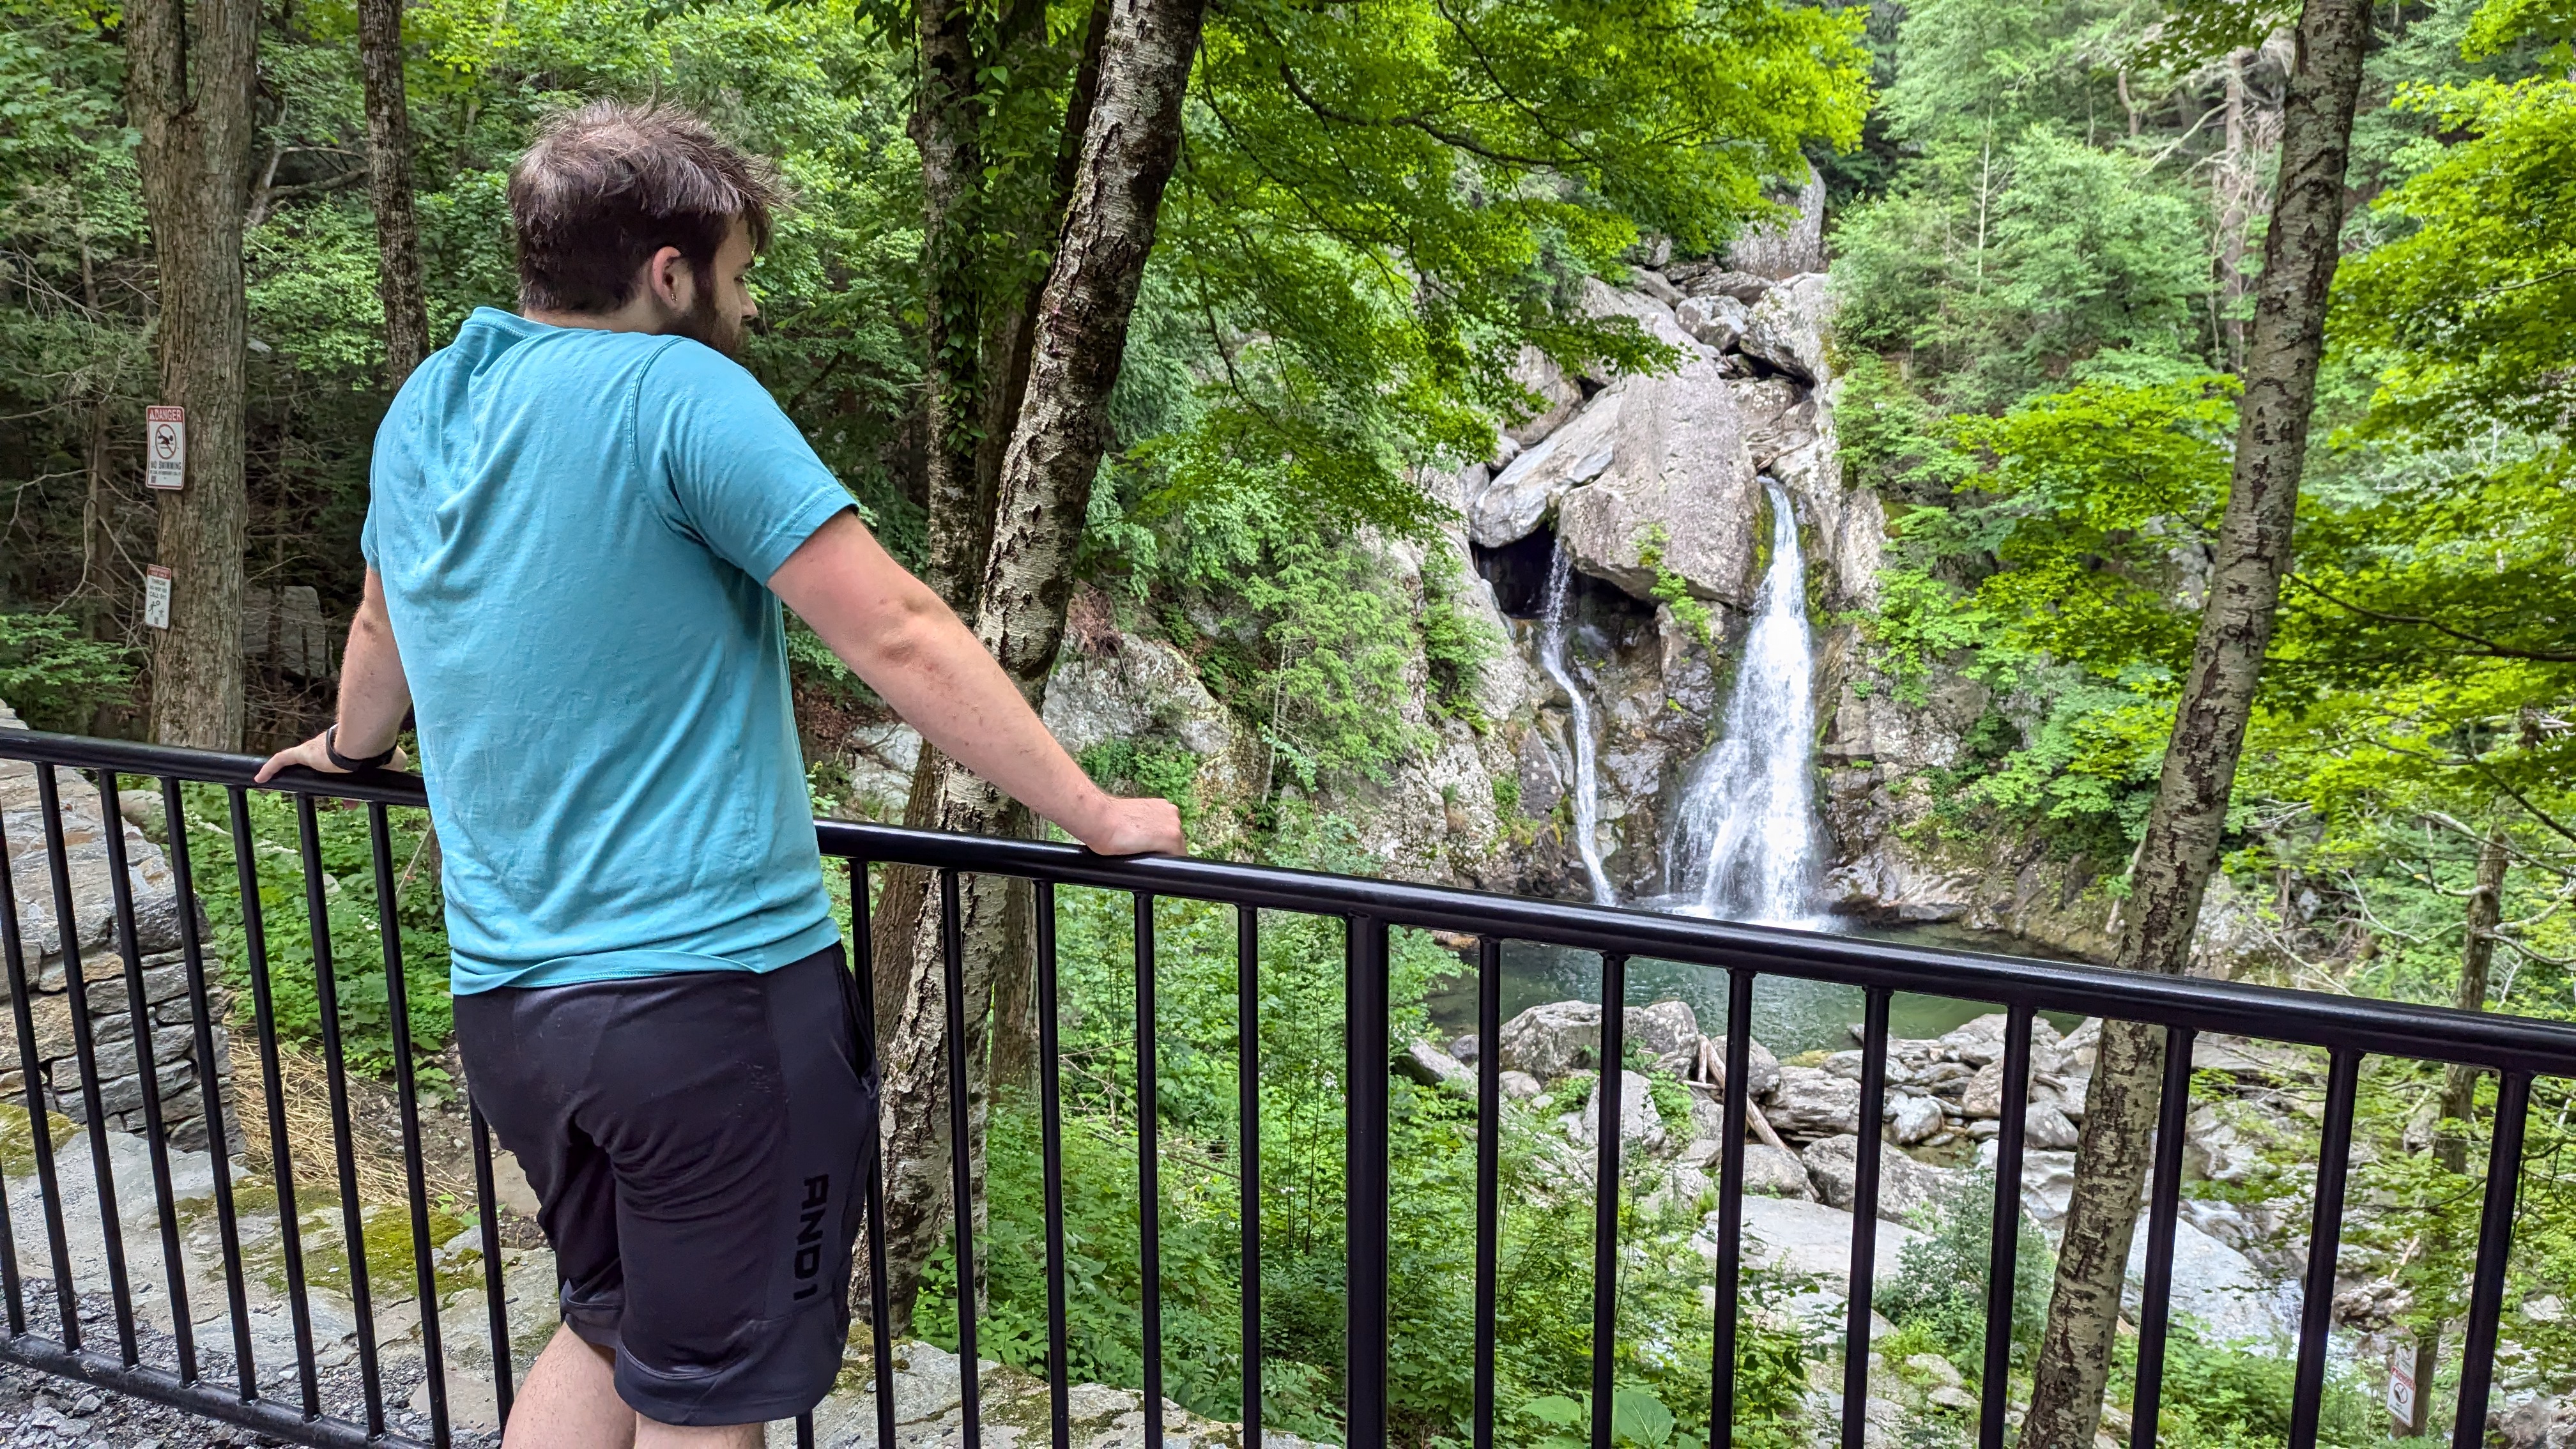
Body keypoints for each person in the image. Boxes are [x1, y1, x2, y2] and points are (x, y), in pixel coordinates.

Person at [258, 99, 1184, 1448]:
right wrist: (1096, 814)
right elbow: (897, 630)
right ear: (670, 273)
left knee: (612, 1323)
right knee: (714, 1399)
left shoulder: (432, 404)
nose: (748, 310)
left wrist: (351, 753)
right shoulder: (681, 391)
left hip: (515, 1008)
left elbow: (383, 623)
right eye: (740, 276)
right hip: (711, 1011)